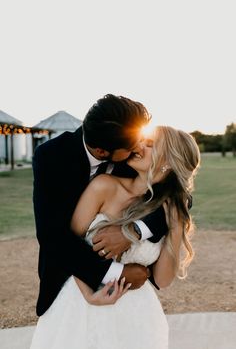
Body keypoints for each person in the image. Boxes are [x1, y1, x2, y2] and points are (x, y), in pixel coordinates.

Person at [30, 126, 200, 349]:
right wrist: (89, 293)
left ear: (167, 162)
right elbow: (69, 245)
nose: (139, 146)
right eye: (143, 141)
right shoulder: (103, 186)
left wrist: (176, 228)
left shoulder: (168, 209)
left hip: (137, 316)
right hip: (81, 306)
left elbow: (162, 280)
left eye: (150, 145)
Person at [32, 94, 168, 317]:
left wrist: (133, 231)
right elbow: (51, 236)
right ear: (102, 152)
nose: (139, 147)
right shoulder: (51, 157)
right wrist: (115, 272)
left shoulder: (129, 151)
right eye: (133, 146)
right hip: (68, 275)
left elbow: (180, 199)